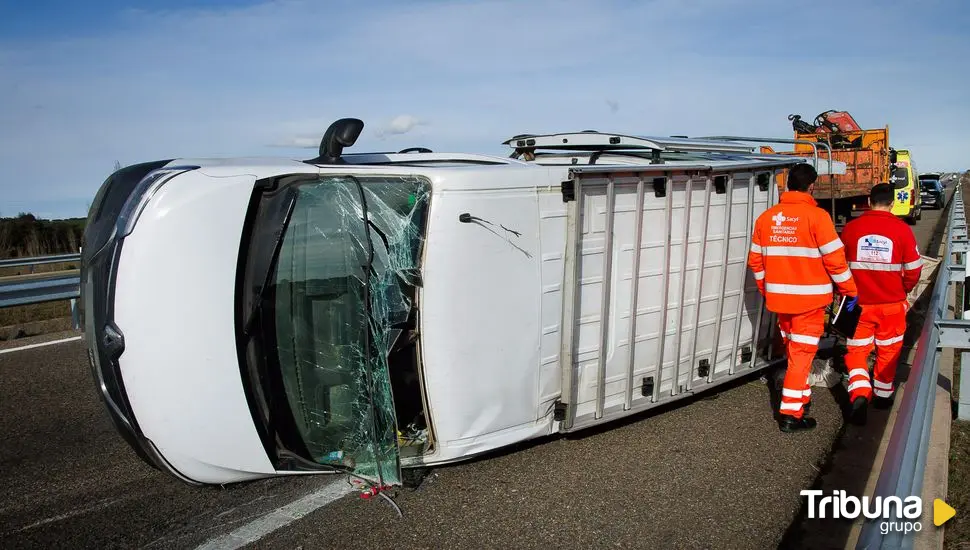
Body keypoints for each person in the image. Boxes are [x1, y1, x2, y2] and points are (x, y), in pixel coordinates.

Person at [748, 163, 858, 433]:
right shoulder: (817, 217)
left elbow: (755, 262)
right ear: (811, 187)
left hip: (779, 302)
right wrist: (850, 290)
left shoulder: (767, 218)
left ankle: (801, 398)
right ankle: (791, 415)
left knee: (794, 351)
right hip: (809, 303)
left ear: (787, 185)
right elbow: (836, 262)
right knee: (801, 356)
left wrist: (766, 290)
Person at [839, 183, 922, 425]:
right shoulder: (902, 229)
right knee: (889, 349)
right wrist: (903, 289)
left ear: (869, 200)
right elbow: (914, 269)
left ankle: (860, 392)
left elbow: (840, 266)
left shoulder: (852, 229)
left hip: (858, 304)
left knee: (856, 351)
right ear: (893, 202)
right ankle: (884, 396)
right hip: (892, 305)